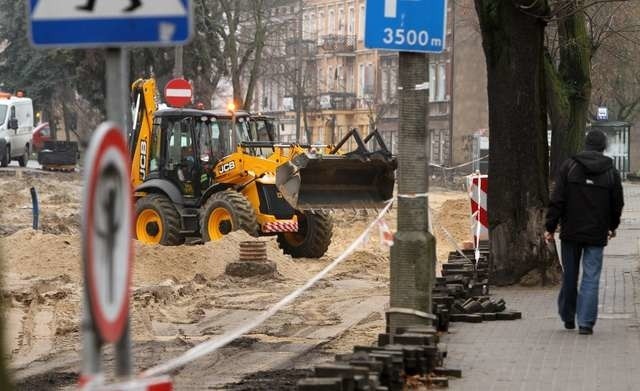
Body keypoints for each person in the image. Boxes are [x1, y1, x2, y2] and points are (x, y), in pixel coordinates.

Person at [544, 130, 624, 335]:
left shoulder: (569, 166)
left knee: (570, 275)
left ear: (586, 144)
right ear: (603, 147)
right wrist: (612, 226)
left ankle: (568, 317)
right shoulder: (610, 172)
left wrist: (550, 227)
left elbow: (558, 199)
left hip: (570, 231)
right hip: (596, 233)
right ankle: (586, 323)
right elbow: (617, 204)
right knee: (591, 277)